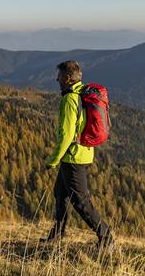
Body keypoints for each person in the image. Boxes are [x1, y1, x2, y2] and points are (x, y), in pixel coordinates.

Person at [44, 60, 114, 252]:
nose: (56, 79)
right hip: (82, 153)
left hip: (73, 157)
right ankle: (57, 234)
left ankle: (106, 237)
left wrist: (52, 160)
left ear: (67, 78)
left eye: (59, 76)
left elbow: (66, 136)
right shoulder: (83, 93)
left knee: (81, 201)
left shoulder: (69, 99)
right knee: (61, 193)